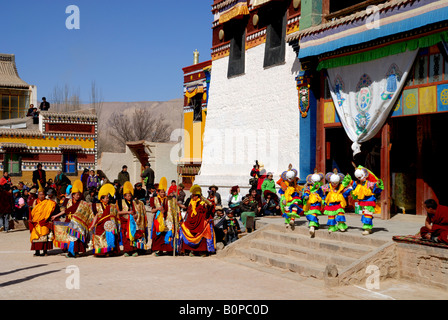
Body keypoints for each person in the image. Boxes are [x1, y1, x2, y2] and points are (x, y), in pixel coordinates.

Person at [52, 180, 94, 258]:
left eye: (79, 195)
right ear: (73, 195)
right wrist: (55, 216)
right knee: (71, 238)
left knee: (77, 238)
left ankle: (76, 252)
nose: (77, 196)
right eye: (76, 195)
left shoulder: (82, 203)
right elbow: (65, 211)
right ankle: (71, 252)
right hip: (70, 221)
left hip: (79, 223)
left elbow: (88, 212)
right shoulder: (68, 201)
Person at [179, 185, 215, 256]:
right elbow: (188, 211)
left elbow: (208, 208)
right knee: (184, 228)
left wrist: (206, 206)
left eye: (194, 195)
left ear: (198, 196)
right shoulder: (191, 202)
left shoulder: (202, 202)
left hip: (200, 222)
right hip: (191, 221)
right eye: (192, 195)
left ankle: (202, 251)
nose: (192, 197)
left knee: (204, 229)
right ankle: (191, 250)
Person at [351, 165, 384, 235]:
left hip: (369, 200)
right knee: (365, 213)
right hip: (363, 201)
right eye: (358, 178)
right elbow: (353, 186)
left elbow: (376, 186)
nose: (359, 179)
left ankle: (367, 229)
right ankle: (368, 228)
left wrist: (378, 183)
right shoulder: (358, 183)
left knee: (367, 214)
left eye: (360, 177)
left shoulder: (369, 182)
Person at [118, 181, 148, 256]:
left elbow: (136, 212)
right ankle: (127, 251)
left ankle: (134, 250)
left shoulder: (133, 203)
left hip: (132, 223)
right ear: (124, 196)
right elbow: (118, 212)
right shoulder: (121, 202)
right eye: (128, 196)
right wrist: (127, 213)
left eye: (130, 196)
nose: (130, 197)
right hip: (125, 222)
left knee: (133, 236)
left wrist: (135, 216)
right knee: (126, 237)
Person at [90, 184, 120, 257]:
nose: (107, 199)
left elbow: (115, 215)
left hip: (108, 225)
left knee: (109, 236)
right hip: (100, 224)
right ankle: (101, 252)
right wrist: (93, 225)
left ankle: (109, 251)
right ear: (101, 199)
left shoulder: (111, 206)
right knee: (99, 235)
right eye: (106, 198)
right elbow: (96, 216)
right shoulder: (97, 206)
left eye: (108, 198)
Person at [29, 187, 60, 256]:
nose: (41, 196)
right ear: (38, 195)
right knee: (35, 236)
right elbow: (31, 212)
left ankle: (45, 251)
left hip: (44, 222)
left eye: (42, 194)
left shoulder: (49, 203)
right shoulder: (35, 202)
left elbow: (53, 210)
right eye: (40, 194)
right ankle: (37, 251)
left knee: (44, 235)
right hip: (36, 222)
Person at [150, 178, 175, 256]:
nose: (163, 194)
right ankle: (158, 250)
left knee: (167, 234)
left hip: (167, 219)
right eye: (161, 192)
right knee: (158, 235)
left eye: (164, 192)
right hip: (158, 220)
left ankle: (168, 249)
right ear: (158, 192)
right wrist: (158, 209)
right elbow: (152, 211)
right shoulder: (154, 199)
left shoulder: (168, 199)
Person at [277, 164, 303, 229]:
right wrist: (283, 199)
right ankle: (288, 221)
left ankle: (292, 220)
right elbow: (282, 192)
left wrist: (300, 192)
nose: (291, 180)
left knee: (295, 206)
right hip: (286, 197)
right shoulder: (283, 183)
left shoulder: (295, 181)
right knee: (287, 209)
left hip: (294, 196)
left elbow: (297, 188)